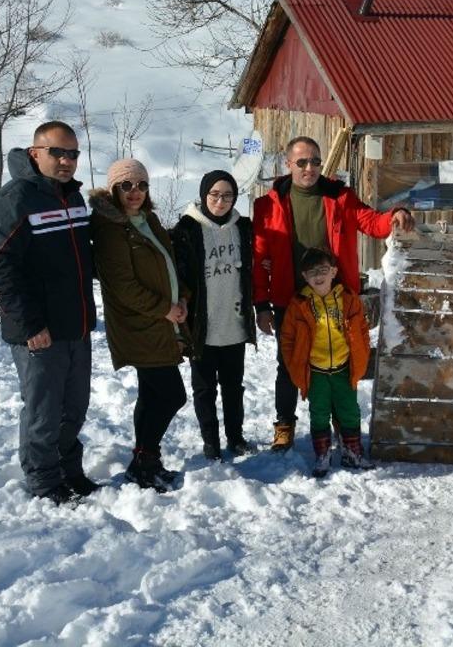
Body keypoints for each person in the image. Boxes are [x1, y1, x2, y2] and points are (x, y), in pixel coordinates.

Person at [252, 136, 413, 453]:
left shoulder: (340, 196)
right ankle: (284, 425)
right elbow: (259, 259)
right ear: (288, 164)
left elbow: (371, 221)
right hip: (291, 298)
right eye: (301, 162)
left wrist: (396, 213)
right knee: (288, 364)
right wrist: (262, 305)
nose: (309, 168)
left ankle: (341, 421)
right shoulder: (267, 205)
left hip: (335, 297)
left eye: (314, 161)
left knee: (339, 362)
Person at [0, 121, 98, 505]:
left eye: (72, 154)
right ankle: (44, 480)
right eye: (57, 153)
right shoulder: (16, 199)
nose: (66, 161)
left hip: (76, 324)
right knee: (43, 411)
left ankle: (68, 468)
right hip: (40, 330)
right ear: (35, 153)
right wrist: (31, 324)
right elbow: (0, 269)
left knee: (75, 407)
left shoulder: (72, 197)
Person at [90, 159, 190, 492]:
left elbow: (168, 265)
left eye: (142, 185)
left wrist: (182, 299)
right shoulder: (110, 227)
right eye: (126, 186)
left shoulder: (148, 219)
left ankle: (144, 464)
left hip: (162, 321)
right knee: (172, 394)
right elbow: (123, 285)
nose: (135, 193)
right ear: (113, 188)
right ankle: (145, 459)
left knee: (151, 395)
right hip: (140, 324)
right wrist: (165, 309)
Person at [172, 170, 256, 461]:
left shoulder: (243, 227)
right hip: (203, 326)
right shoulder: (187, 229)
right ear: (204, 194)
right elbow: (177, 273)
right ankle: (211, 442)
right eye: (215, 195)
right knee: (204, 389)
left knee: (234, 387)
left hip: (233, 323)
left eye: (228, 195)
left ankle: (236, 437)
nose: (221, 201)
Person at [279, 248, 373, 478]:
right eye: (312, 272)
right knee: (319, 412)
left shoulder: (348, 299)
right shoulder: (299, 304)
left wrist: (361, 355)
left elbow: (361, 330)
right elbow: (288, 339)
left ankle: (352, 451)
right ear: (305, 277)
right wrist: (295, 367)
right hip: (316, 371)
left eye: (323, 270)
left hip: (343, 368)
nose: (318, 276)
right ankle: (322, 454)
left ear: (333, 271)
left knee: (349, 411)